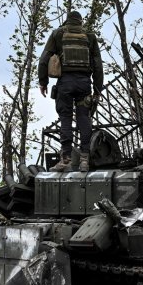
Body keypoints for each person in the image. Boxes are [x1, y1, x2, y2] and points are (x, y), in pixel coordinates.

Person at [38, 10, 104, 172]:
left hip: (65, 84)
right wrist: (97, 89)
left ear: (67, 21)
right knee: (84, 118)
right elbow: (98, 65)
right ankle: (84, 160)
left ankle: (65, 159)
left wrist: (43, 82)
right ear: (80, 22)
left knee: (65, 118)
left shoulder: (58, 34)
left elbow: (44, 59)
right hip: (84, 84)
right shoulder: (89, 36)